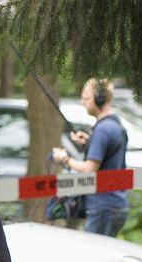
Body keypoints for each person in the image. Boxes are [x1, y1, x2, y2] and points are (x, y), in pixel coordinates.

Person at [52, 78, 129, 237]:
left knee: (93, 257)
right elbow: (109, 155)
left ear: (99, 99)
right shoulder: (115, 125)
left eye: (86, 98)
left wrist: (65, 158)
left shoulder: (102, 130)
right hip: (115, 205)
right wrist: (89, 142)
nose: (82, 102)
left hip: (102, 208)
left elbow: (89, 169)